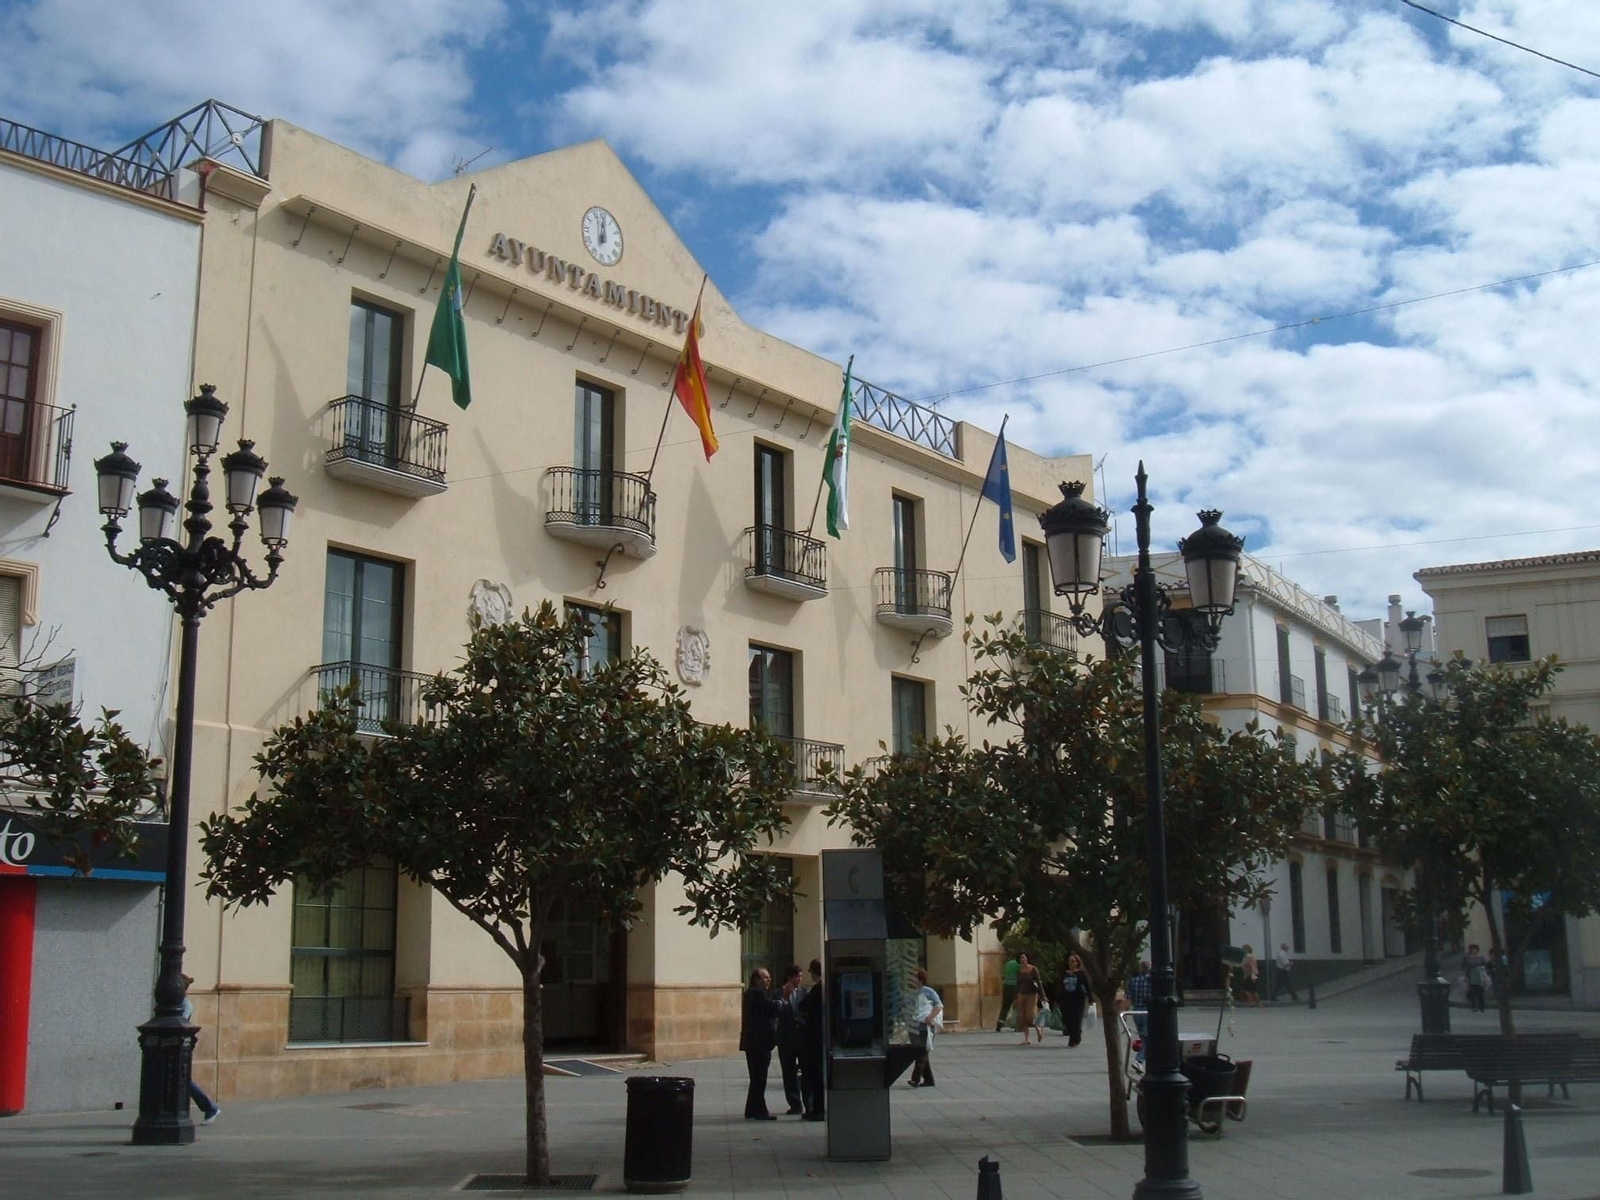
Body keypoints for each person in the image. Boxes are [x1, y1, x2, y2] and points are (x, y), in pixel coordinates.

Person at [739, 967, 783, 1119]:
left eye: (769, 977)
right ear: (756, 980)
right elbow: (773, 1008)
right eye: (765, 977)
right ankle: (759, 1111)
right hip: (758, 1043)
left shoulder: (757, 994)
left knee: (757, 1078)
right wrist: (781, 1001)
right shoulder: (755, 993)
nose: (769, 980)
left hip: (757, 1043)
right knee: (759, 1077)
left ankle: (752, 1109)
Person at [179, 974, 221, 1125]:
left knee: (183, 1079)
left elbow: (181, 1024)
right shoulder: (172, 1002)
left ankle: (209, 1107)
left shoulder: (185, 1005)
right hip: (171, 1046)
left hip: (179, 1047)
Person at [797, 959, 826, 1120]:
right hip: (820, 1035)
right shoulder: (825, 987)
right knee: (816, 1073)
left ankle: (818, 1109)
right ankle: (817, 1108)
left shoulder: (818, 989)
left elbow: (803, 1006)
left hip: (815, 1037)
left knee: (815, 1074)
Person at [775, 964, 805, 1114]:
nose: (799, 979)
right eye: (796, 976)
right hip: (785, 1038)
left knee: (805, 1070)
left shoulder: (805, 992)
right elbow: (777, 1012)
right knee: (788, 1072)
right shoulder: (777, 993)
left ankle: (809, 1103)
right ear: (789, 977)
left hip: (801, 1037)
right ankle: (795, 1104)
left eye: (800, 976)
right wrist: (785, 998)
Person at [907, 968, 943, 1088]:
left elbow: (938, 1005)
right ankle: (929, 1080)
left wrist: (930, 1017)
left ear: (920, 979)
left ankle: (915, 1079)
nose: (911, 979)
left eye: (914, 977)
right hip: (914, 1026)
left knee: (922, 1052)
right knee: (920, 1052)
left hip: (926, 1026)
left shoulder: (928, 991)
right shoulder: (910, 993)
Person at [1057, 955, 1091, 1047]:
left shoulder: (1081, 973)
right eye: (1070, 961)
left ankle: (1074, 1038)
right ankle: (1074, 1034)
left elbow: (1087, 986)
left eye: (1073, 961)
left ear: (1077, 962)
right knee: (1066, 1018)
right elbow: (1062, 987)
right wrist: (1058, 999)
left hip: (1078, 999)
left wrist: (1090, 998)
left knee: (1076, 1018)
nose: (1071, 963)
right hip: (1067, 998)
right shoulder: (1066, 973)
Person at [1014, 952, 1046, 1046]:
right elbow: (1018, 984)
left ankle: (1038, 1028)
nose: (1023, 960)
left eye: (1024, 958)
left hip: (1032, 994)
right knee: (1023, 1017)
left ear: (1027, 959)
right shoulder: (1019, 971)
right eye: (1021, 958)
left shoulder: (1033, 969)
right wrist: (1016, 996)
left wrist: (1043, 995)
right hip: (1021, 994)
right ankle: (1026, 1038)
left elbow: (1039, 982)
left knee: (1030, 1015)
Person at [1126, 960, 1152, 1064]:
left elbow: (1127, 998)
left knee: (1142, 1035)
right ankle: (1139, 1059)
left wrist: (1125, 1013)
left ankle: (1145, 1056)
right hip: (1148, 1010)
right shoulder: (1152, 981)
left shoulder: (1133, 981)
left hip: (1136, 1010)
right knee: (1147, 1036)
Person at [995, 952, 1020, 1032]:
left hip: (1006, 986)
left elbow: (1003, 975)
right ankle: (1016, 1024)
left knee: (1005, 1006)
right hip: (1015, 986)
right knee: (1016, 1006)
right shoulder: (1019, 965)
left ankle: (999, 1024)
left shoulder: (1008, 963)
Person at [1462, 944, 1489, 1013]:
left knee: (1480, 992)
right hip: (1471, 976)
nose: (1474, 951)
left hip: (1480, 975)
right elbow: (1466, 967)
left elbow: (1484, 966)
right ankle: (1474, 1006)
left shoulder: (1481, 958)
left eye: (1475, 949)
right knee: (1472, 992)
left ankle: (1481, 1006)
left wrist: (1485, 976)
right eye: (1472, 949)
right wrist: (1465, 976)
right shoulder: (1468, 958)